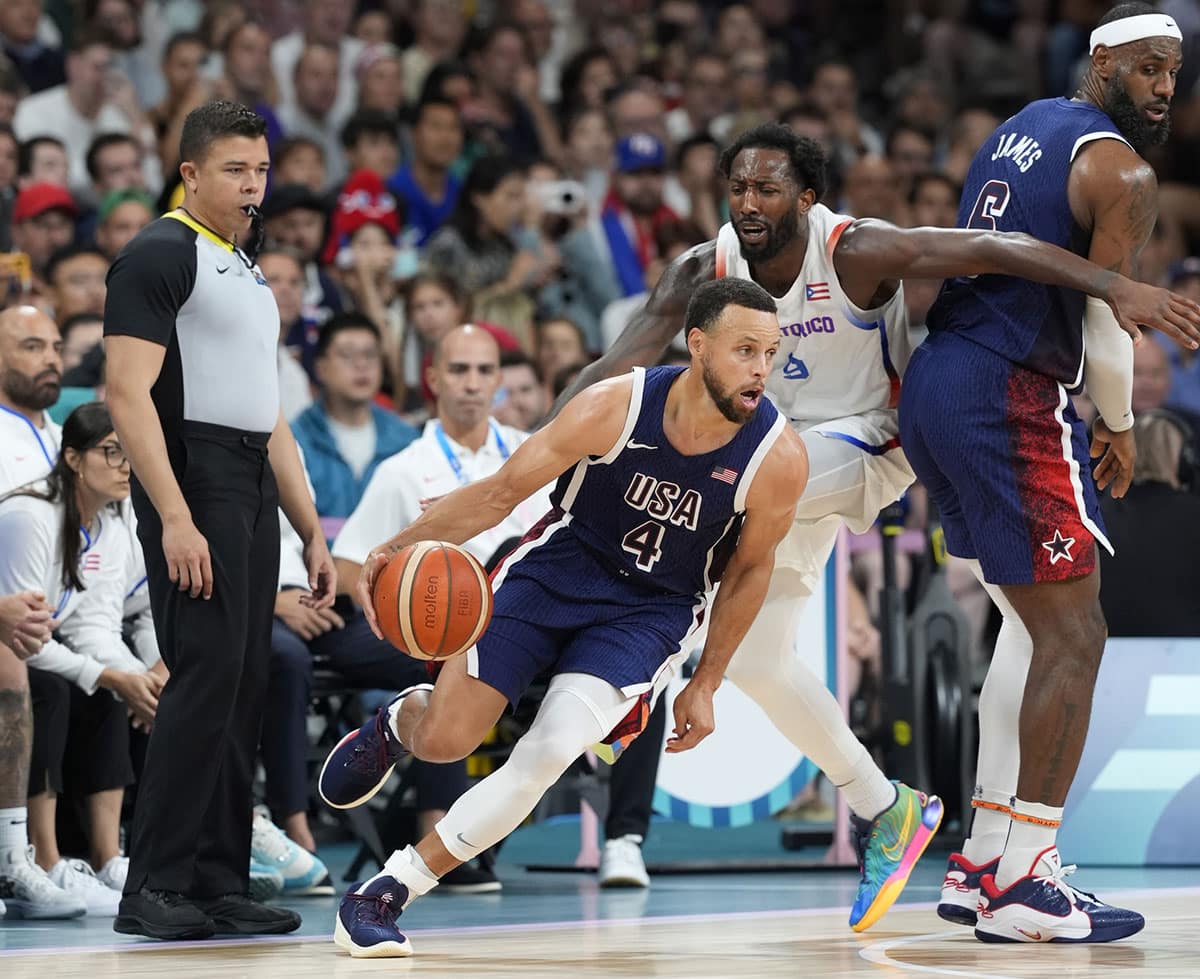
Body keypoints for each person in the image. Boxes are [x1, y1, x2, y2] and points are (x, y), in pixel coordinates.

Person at [552, 119, 1200, 933]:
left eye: (769, 188)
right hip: (779, 467)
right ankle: (886, 805)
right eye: (739, 187)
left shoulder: (855, 250)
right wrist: (538, 453)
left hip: (867, 445)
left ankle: (638, 671)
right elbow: (615, 367)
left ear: (808, 197)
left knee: (715, 493)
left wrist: (1109, 286)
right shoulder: (703, 268)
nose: (750, 202)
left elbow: (987, 247)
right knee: (754, 658)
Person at [320, 278, 810, 957]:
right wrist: (396, 545)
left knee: (547, 752)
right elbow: (499, 494)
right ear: (698, 345)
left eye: (770, 352)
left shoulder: (777, 457)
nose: (761, 369)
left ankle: (386, 889)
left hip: (649, 612)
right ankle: (404, 720)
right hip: (556, 569)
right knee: (447, 740)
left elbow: (752, 570)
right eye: (744, 350)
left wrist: (707, 681)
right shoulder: (615, 404)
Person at [903, 4, 1195, 943]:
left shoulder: (1020, 127)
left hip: (939, 384)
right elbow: (1109, 319)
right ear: (1100, 58)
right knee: (1077, 629)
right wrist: (1117, 421)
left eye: (1174, 76)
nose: (1162, 88)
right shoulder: (1124, 171)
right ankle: (1029, 874)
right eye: (1147, 68)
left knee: (1029, 631)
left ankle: (986, 859)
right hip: (1005, 393)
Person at [103, 100, 336, 941]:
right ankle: (152, 883)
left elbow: (268, 409)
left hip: (249, 478)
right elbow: (126, 395)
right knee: (202, 678)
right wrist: (173, 513)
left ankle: (215, 877)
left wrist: (308, 524)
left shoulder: (240, 257)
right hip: (192, 474)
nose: (253, 185)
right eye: (236, 170)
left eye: (262, 170)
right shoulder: (157, 254)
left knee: (244, 682)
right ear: (191, 172)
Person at [0, 403, 159, 916]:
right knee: (52, 688)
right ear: (72, 457)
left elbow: (94, 625)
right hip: (11, 651)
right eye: (111, 452)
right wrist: (111, 674)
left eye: (129, 455)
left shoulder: (110, 521)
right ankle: (40, 861)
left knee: (109, 689)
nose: (124, 467)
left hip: (28, 649)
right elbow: (22, 635)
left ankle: (107, 855)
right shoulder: (30, 515)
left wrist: (134, 681)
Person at [290, 312, 418, 519]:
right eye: (347, 355)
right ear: (321, 368)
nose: (361, 365)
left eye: (370, 355)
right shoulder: (295, 440)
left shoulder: (407, 440)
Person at [1099, 410, 1200, 636]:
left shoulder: (1097, 518)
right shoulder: (1195, 513)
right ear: (1185, 460)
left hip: (1106, 654)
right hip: (1188, 656)